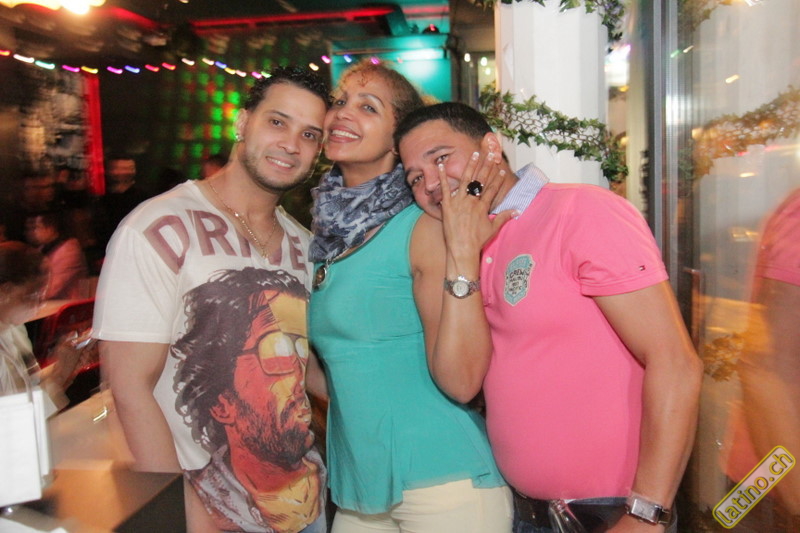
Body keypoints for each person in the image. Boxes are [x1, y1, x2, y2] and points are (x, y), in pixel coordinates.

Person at [394, 102, 703, 533]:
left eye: (442, 158)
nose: (431, 183)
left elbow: (675, 362)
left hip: (612, 511)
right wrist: (463, 253)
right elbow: (461, 382)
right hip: (529, 513)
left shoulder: (579, 211)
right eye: (414, 177)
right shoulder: (466, 247)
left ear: (491, 147)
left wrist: (646, 514)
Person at [93, 66, 331, 533]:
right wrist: (182, 513)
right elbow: (129, 386)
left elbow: (310, 370)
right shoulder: (159, 228)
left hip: (306, 509)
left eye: (309, 134)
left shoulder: (306, 247)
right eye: (277, 122)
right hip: (206, 511)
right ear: (242, 122)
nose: (291, 144)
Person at [308, 61, 512, 533]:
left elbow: (463, 380)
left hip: (445, 480)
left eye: (368, 107)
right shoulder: (328, 241)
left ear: (397, 142)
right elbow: (334, 371)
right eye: (339, 101)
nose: (342, 113)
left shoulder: (423, 228)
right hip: (361, 484)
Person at [0, 241, 83, 409]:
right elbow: (17, 418)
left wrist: (63, 364)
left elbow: (28, 384)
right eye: (34, 295)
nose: (40, 304)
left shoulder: (14, 329)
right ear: (5, 292)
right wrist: (60, 376)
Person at [93, 155, 150, 253]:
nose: (120, 172)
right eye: (115, 168)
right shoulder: (101, 198)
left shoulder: (142, 198)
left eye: (126, 168)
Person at [25, 211, 88, 300]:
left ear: (51, 228)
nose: (31, 233)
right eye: (28, 229)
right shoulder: (42, 249)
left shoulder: (69, 250)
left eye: (36, 227)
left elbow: (51, 289)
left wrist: (24, 296)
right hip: (50, 303)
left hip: (68, 303)